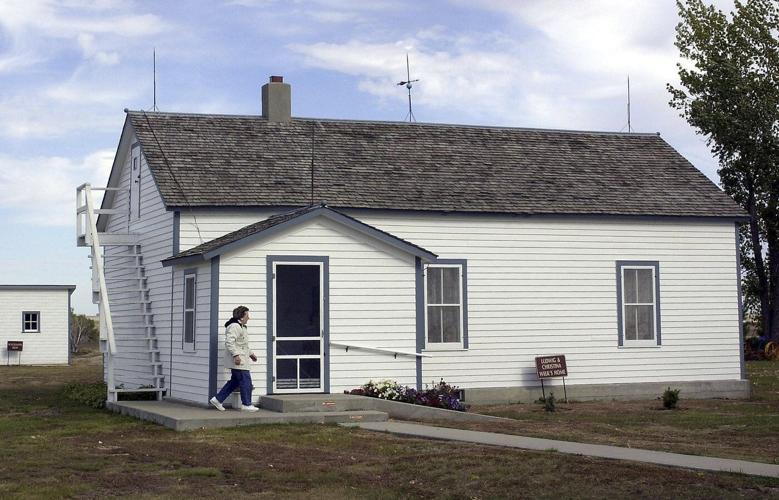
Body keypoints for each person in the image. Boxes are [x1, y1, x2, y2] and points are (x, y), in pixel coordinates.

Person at [209, 306, 259, 411]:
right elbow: (229, 342)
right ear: (241, 316)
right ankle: (246, 404)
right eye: (247, 315)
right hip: (238, 360)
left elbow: (242, 344)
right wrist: (236, 355)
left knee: (235, 381)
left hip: (242, 358)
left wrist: (251, 354)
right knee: (246, 381)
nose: (248, 318)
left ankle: (218, 399)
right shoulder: (235, 326)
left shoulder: (241, 327)